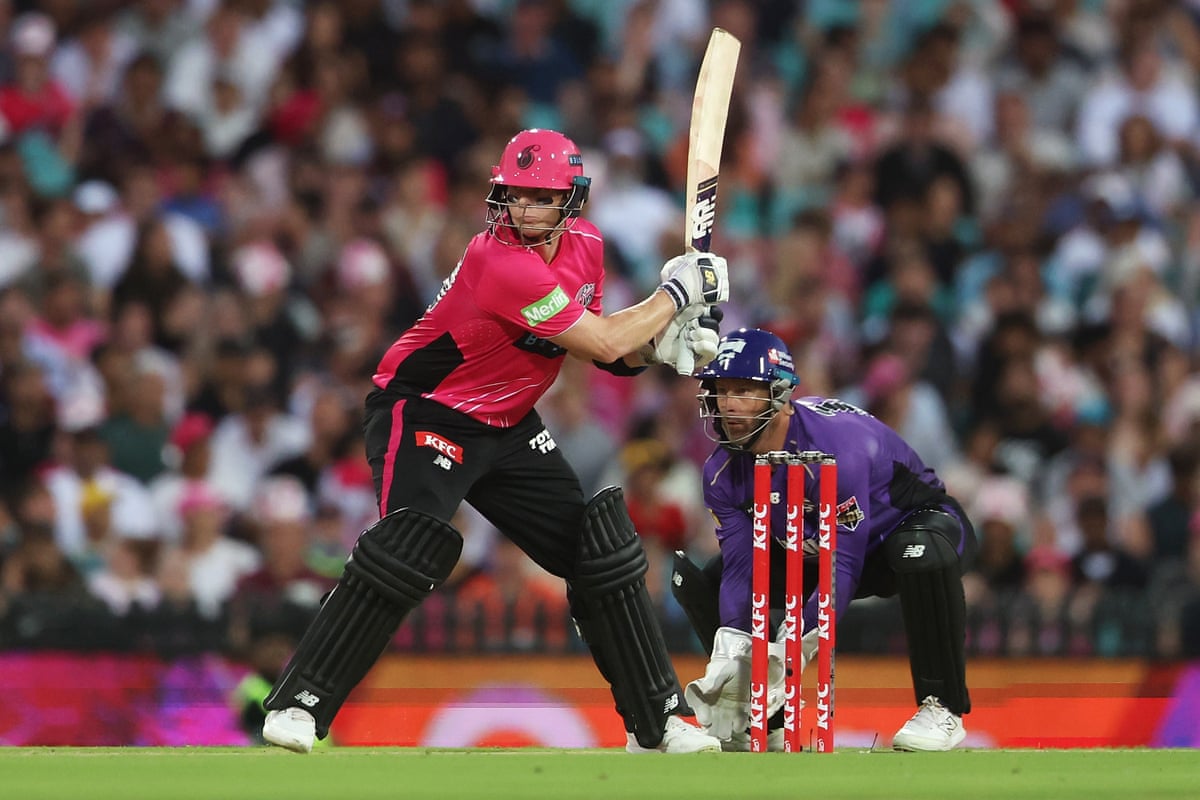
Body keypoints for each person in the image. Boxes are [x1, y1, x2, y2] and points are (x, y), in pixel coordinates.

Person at [260, 128, 727, 754]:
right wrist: (674, 296)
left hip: (509, 422)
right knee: (408, 549)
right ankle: (297, 704)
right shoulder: (497, 260)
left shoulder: (587, 245)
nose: (522, 210)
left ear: (573, 201)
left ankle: (658, 721)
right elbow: (608, 341)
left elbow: (612, 353)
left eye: (540, 198)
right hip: (428, 411)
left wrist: (669, 345)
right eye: (514, 195)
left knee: (600, 551)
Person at [673, 328, 977, 752]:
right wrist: (733, 653)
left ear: (779, 395)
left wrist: (791, 645)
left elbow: (845, 564)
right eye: (721, 390)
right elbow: (744, 567)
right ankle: (762, 715)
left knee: (918, 553)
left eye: (743, 389)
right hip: (816, 549)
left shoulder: (838, 447)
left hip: (906, 530)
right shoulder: (722, 471)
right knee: (702, 580)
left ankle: (942, 709)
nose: (727, 404)